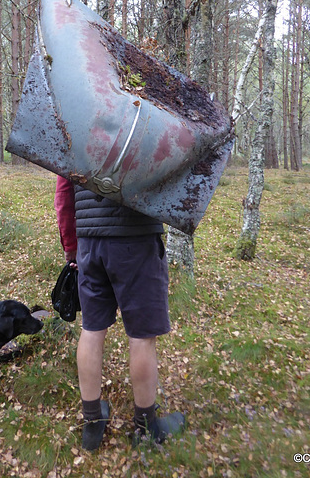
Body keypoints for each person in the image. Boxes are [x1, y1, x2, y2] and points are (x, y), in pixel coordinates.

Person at [54, 175, 186, 451]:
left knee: (91, 330)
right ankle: (145, 428)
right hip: (136, 238)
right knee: (141, 336)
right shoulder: (148, 128)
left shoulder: (77, 130)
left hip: (89, 242)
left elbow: (64, 189)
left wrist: (71, 247)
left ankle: (92, 422)